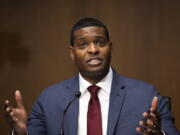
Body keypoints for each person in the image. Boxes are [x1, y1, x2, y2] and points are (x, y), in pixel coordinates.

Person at [5, 18, 179, 135]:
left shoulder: (146, 95)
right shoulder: (49, 99)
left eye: (100, 42)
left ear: (110, 48)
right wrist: (22, 133)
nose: (93, 50)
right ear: (72, 53)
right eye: (83, 44)